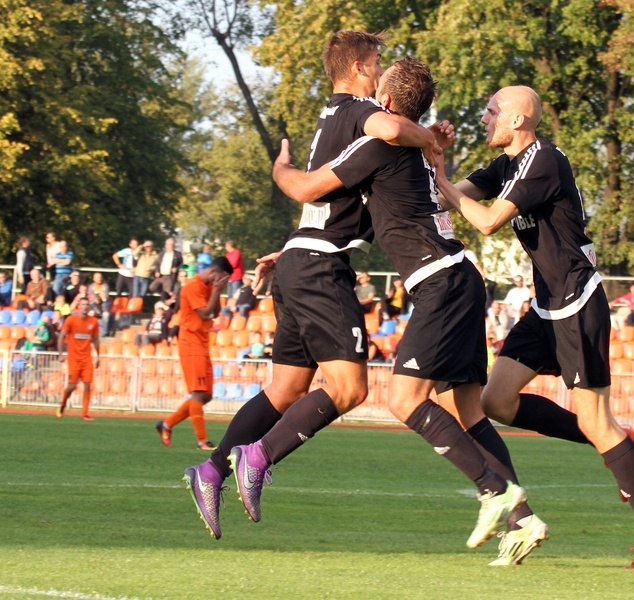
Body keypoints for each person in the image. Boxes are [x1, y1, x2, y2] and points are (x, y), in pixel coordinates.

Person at [255, 57, 534, 563]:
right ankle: (523, 519)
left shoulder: (381, 143)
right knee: (468, 413)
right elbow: (384, 211)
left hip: (441, 282)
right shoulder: (417, 149)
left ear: (384, 102)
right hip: (463, 276)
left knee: (404, 401)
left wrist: (280, 164)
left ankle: (496, 490)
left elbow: (303, 189)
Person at [179, 31, 452, 544]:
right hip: (320, 268)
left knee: (285, 389)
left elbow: (351, 205)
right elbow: (391, 127)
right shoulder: (358, 110)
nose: (378, 73)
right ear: (356, 69)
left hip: (302, 259)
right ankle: (255, 458)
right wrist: (429, 135)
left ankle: (211, 470)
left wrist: (288, 250)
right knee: (349, 387)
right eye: (374, 64)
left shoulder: (336, 116)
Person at [432, 85, 634, 568]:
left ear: (519, 119)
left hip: (577, 305)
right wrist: (422, 164)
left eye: (491, 112)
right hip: (546, 307)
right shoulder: (506, 163)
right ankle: (609, 438)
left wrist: (437, 176)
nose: (485, 119)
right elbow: (452, 199)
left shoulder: (542, 161)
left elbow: (485, 222)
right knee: (495, 401)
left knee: (594, 418)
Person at [155, 257, 231, 450]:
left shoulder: (208, 286)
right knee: (197, 393)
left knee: (206, 395)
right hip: (190, 344)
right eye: (222, 279)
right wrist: (216, 291)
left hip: (202, 342)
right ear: (214, 273)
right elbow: (204, 314)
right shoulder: (192, 286)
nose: (222, 283)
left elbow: (214, 313)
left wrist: (217, 292)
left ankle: (167, 424)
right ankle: (202, 440)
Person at [56, 297, 101, 420]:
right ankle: (63, 404)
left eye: (87, 304)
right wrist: (60, 353)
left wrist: (98, 356)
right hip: (74, 359)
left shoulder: (93, 322)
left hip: (87, 358)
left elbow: (96, 339)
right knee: (71, 386)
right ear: (79, 306)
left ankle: (84, 414)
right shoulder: (71, 320)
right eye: (82, 304)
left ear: (89, 306)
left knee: (87, 385)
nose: (85, 306)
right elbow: (61, 336)